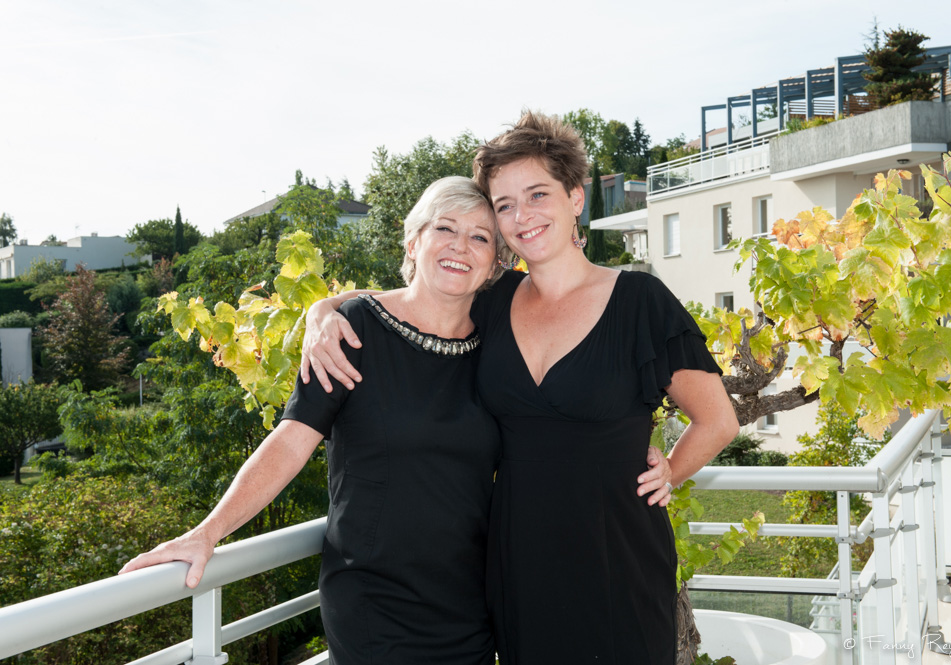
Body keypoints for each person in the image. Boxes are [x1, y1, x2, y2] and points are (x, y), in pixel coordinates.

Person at [119, 175, 672, 665]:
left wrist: (649, 458)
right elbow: (292, 440)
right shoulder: (354, 332)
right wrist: (208, 531)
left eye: (481, 237)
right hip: (374, 600)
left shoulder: (498, 337)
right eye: (445, 230)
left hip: (472, 600)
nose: (461, 246)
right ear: (414, 241)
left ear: (496, 263)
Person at [300, 113, 739, 665]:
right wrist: (323, 310)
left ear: (575, 198)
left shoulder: (639, 301)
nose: (521, 215)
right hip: (515, 559)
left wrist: (669, 471)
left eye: (537, 194)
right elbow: (413, 298)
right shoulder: (493, 299)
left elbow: (718, 420)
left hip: (616, 555)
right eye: (504, 204)